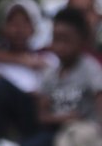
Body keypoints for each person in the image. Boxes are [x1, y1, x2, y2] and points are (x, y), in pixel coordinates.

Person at [0, 0, 54, 143]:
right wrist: (20, 61)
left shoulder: (46, 59)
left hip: (33, 116)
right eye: (13, 23)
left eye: (25, 23)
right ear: (3, 27)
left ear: (34, 27)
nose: (19, 29)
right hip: (1, 116)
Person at [25, 8, 102, 146]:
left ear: (81, 40)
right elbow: (42, 116)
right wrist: (66, 118)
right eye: (56, 39)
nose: (59, 46)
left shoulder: (91, 70)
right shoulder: (50, 74)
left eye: (66, 40)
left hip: (86, 132)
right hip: (54, 132)